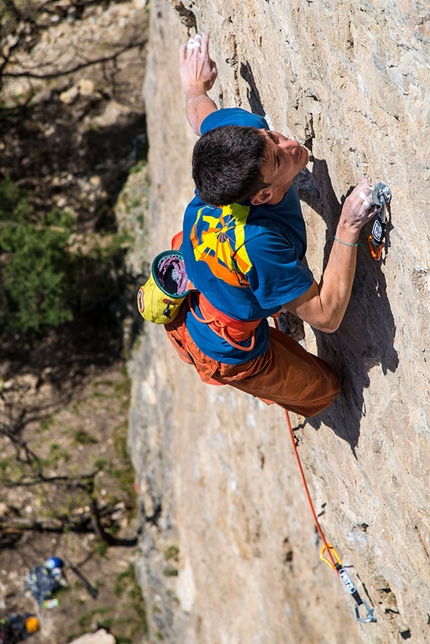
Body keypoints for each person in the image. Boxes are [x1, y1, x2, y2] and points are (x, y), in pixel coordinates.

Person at [165, 33, 377, 417]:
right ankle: (268, 303)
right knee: (324, 389)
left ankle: (269, 296)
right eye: (279, 162)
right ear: (260, 196)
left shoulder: (237, 144)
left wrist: (194, 86)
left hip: (212, 266)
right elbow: (326, 316)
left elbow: (201, 117)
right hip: (222, 345)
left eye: (273, 138)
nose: (291, 145)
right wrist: (347, 228)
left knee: (265, 280)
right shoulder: (260, 244)